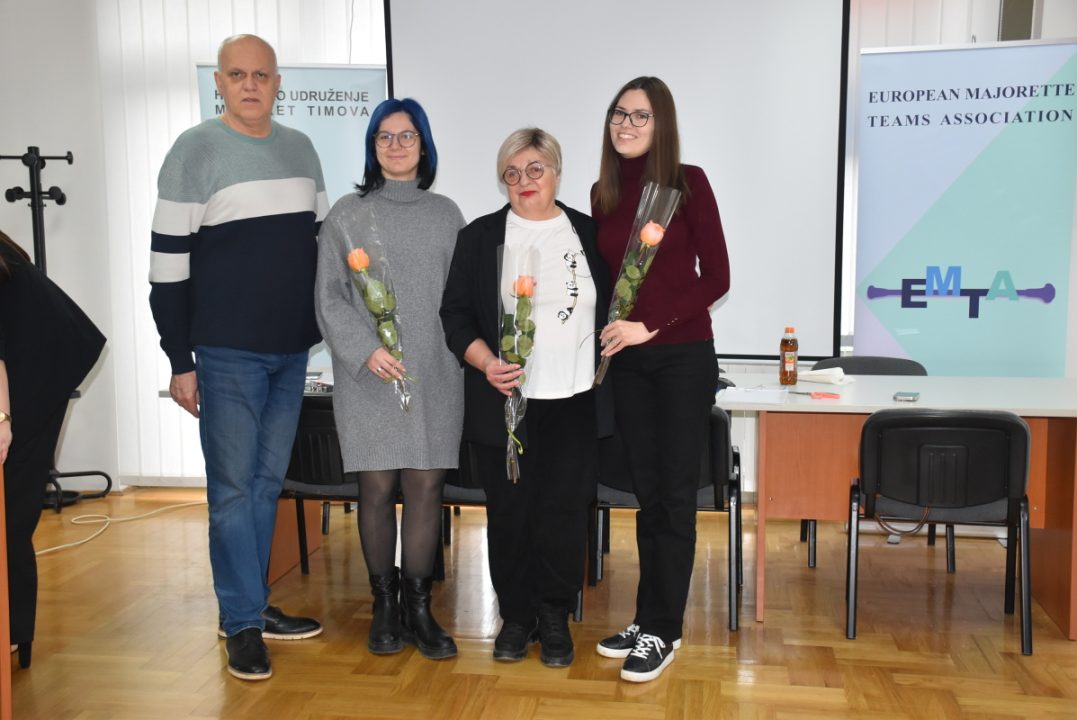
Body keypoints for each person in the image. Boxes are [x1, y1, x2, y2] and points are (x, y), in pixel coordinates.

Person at [148, 34, 327, 682]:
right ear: (219, 83)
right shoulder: (194, 151)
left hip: (290, 350)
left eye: (262, 75)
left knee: (264, 486)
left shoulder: (301, 149)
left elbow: (320, 248)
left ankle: (251, 606)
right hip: (225, 354)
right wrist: (180, 360)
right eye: (238, 75)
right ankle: (241, 622)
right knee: (231, 491)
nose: (250, 85)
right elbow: (166, 268)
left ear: (278, 83)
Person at [440, 128, 611, 668]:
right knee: (511, 515)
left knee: (564, 512)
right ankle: (516, 617)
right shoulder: (480, 237)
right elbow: (455, 317)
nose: (524, 181)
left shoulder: (589, 233)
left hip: (575, 400)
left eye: (535, 169)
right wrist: (486, 363)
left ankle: (555, 616)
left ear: (557, 172)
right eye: (512, 173)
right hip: (505, 402)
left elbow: (615, 307)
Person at [314, 98, 465, 660]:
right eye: (384, 136)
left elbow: (462, 298)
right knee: (376, 490)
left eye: (407, 136)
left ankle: (419, 609)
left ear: (424, 146)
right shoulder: (346, 215)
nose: (395, 145)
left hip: (436, 373)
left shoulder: (447, 214)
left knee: (426, 490)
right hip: (369, 376)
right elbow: (329, 297)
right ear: (372, 147)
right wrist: (366, 351)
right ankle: (384, 605)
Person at [591, 76, 731, 683]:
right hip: (629, 364)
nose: (626, 124)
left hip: (681, 358)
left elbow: (717, 278)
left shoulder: (689, 183)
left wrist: (650, 324)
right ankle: (647, 616)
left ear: (662, 123)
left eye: (640, 116)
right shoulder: (603, 193)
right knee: (648, 496)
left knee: (674, 498)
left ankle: (664, 631)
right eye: (619, 114)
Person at [1, 230, 105, 670]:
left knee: (10, 511)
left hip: (36, 373)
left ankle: (11, 632)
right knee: (11, 510)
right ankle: (13, 630)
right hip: (38, 364)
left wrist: (3, 420)